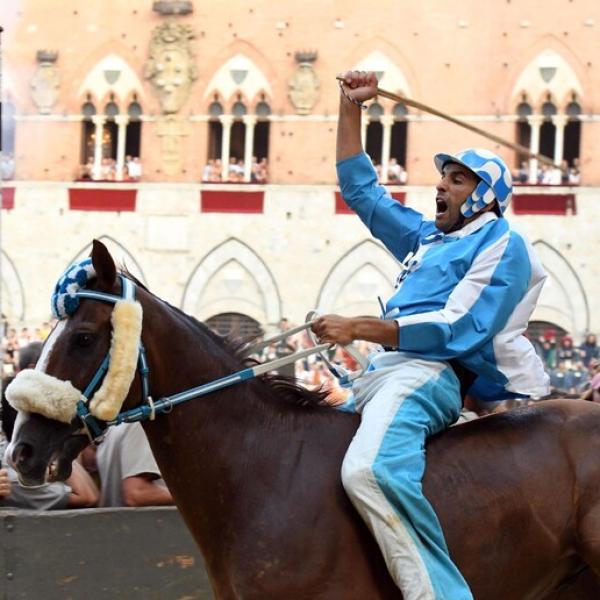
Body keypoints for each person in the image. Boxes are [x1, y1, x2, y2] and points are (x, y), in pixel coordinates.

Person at [311, 70, 550, 600]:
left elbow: (458, 329)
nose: (439, 185)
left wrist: (358, 327)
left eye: (457, 179)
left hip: (429, 377)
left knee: (370, 472)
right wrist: (350, 107)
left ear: (484, 196)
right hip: (377, 377)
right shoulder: (425, 237)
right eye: (443, 178)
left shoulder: (503, 244)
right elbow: (361, 189)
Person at [95, 421, 173, 507]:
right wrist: (188, 496)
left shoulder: (113, 429)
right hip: (147, 519)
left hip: (121, 517)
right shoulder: (142, 427)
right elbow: (136, 494)